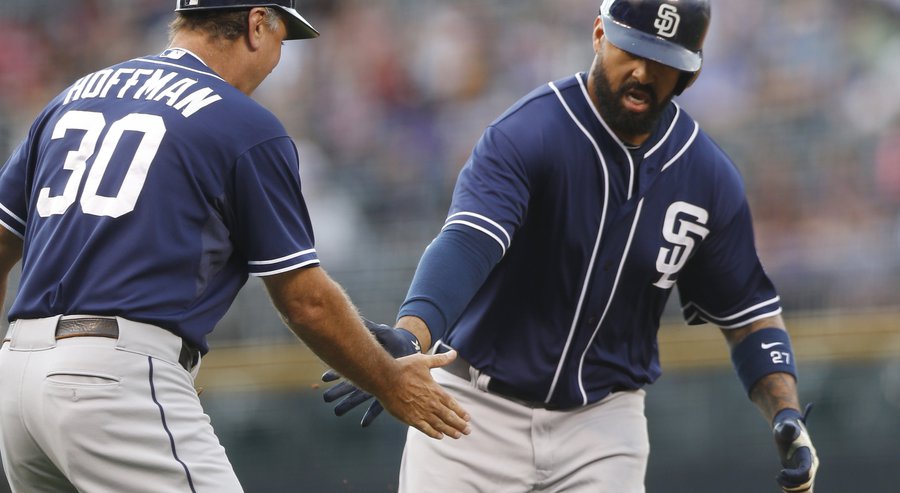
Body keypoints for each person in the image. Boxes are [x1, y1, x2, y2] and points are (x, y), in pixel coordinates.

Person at [323, 0, 819, 491]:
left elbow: (749, 317)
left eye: (665, 61)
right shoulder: (529, 133)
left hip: (603, 427)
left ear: (690, 73)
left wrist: (787, 413)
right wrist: (412, 336)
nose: (643, 73)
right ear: (600, 35)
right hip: (472, 411)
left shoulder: (709, 179)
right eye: (632, 49)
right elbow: (468, 243)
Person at [0, 1, 470, 492]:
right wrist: (389, 381)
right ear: (256, 22)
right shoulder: (242, 122)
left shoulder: (72, 97)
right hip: (114, 380)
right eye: (281, 40)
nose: (276, 58)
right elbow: (305, 302)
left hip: (17, 378)